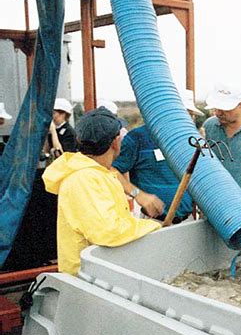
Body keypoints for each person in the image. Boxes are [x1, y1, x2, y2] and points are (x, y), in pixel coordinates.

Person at [42, 107, 162, 275]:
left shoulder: (96, 172)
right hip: (86, 280)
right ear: (115, 142)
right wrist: (154, 227)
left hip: (98, 274)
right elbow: (108, 231)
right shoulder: (83, 179)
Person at [112, 89, 203, 224]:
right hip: (152, 224)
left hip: (187, 222)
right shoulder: (137, 138)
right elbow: (112, 172)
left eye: (191, 115)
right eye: (184, 114)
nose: (189, 120)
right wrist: (138, 194)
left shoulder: (191, 140)